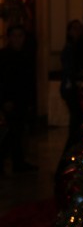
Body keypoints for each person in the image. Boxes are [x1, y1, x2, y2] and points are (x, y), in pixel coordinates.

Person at [0, 25, 38, 174]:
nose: (17, 39)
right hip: (9, 101)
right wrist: (4, 101)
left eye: (20, 36)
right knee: (8, 134)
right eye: (14, 36)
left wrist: (30, 102)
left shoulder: (26, 55)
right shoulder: (3, 56)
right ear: (9, 38)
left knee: (18, 133)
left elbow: (28, 81)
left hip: (22, 99)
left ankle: (18, 162)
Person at [59, 19, 83, 154]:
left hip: (72, 89)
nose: (78, 31)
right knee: (75, 125)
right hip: (70, 90)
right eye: (75, 28)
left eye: (80, 28)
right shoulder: (69, 48)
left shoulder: (76, 47)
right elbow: (69, 70)